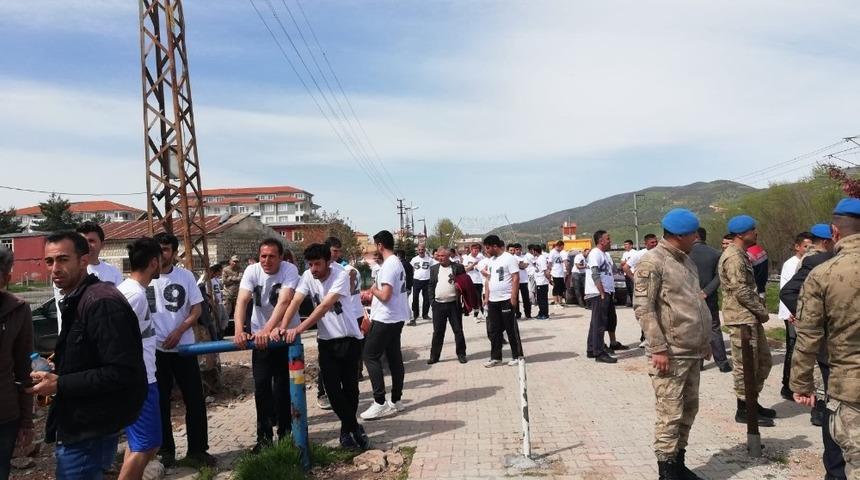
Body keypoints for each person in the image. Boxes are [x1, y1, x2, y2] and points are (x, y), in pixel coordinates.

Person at [30, 232, 146, 479]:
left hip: (89, 427)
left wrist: (60, 383)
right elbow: (92, 355)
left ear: (83, 260)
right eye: (49, 262)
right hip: (84, 421)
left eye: (63, 259)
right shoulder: (80, 296)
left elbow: (122, 371)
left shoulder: (101, 302)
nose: (55, 268)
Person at [269, 244, 370, 450]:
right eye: (310, 264)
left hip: (349, 340)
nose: (314, 268)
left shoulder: (340, 276)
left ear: (328, 262)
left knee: (350, 389)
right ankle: (354, 427)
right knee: (332, 392)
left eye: (318, 264)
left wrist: (298, 329)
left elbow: (324, 307)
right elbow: (295, 301)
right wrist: (283, 325)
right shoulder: (307, 276)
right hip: (326, 342)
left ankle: (346, 432)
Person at [634, 209, 711, 480]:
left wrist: (705, 340)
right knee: (670, 413)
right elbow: (644, 309)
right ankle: (666, 472)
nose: (696, 239)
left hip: (691, 350)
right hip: (670, 353)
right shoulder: (652, 262)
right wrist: (657, 348)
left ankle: (679, 464)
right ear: (680, 236)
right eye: (693, 234)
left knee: (689, 409)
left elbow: (694, 303)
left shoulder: (686, 261)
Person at [791, 199, 860, 479]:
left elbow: (807, 336)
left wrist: (801, 384)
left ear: (835, 232)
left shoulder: (823, 275)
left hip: (849, 388)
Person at [781, 222, 844, 479]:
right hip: (835, 354)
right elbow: (789, 292)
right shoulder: (819, 262)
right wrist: (813, 318)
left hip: (835, 353)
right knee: (834, 411)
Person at [151, 233, 214, 467]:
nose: (161, 253)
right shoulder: (146, 278)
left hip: (184, 349)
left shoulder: (185, 276)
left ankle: (198, 450)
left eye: (166, 249)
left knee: (195, 401)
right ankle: (165, 451)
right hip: (157, 352)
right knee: (160, 403)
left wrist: (180, 330)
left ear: (174, 252)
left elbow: (196, 309)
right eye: (158, 249)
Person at [232, 238, 300, 452]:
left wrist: (268, 330)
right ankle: (264, 439)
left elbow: (284, 301)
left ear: (281, 257)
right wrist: (238, 330)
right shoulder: (252, 270)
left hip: (282, 336)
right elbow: (242, 300)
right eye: (263, 256)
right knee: (261, 388)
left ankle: (286, 435)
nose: (267, 260)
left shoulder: (290, 270)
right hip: (259, 339)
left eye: (271, 256)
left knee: (282, 388)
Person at [718, 215, 775, 427]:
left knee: (763, 361)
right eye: (753, 230)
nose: (756, 232)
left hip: (748, 317)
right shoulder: (733, 257)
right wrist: (762, 311)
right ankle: (745, 409)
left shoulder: (741, 254)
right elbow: (741, 290)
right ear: (741, 234)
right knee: (746, 365)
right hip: (741, 319)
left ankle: (752, 401)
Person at [117, 238, 164, 480]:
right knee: (147, 445)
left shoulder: (130, 291)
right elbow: (114, 337)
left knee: (141, 445)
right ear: (154, 262)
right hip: (140, 380)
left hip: (142, 377)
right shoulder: (134, 295)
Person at [360, 231, 409, 420]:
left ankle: (379, 402)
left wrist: (373, 290)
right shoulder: (397, 263)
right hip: (396, 317)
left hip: (386, 318)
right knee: (394, 357)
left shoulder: (389, 265)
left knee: (370, 355)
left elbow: (386, 295)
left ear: (380, 245)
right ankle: (396, 400)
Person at [53, 222, 124, 335]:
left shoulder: (114, 272)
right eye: (83, 241)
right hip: (73, 337)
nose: (87, 245)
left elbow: (120, 307)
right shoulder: (67, 272)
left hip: (107, 336)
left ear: (102, 244)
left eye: (92, 241)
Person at [0, 248, 33, 480]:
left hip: (5, 413)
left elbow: (24, 367)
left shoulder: (18, 310)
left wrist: (26, 421)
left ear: (6, 278)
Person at [689, 227, 732, 373]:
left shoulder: (684, 253)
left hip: (689, 297)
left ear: (695, 236)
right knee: (714, 327)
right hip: (709, 296)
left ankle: (698, 363)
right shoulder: (716, 253)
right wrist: (707, 291)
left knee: (695, 329)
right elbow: (720, 276)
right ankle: (722, 362)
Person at [777, 232, 814, 400]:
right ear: (797, 247)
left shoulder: (809, 262)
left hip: (803, 312)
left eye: (810, 246)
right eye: (805, 246)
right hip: (792, 312)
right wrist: (791, 311)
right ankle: (787, 385)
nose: (808, 249)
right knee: (792, 348)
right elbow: (786, 290)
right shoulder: (790, 264)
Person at [482, 235, 523, 368]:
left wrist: (513, 297)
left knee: (511, 329)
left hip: (506, 299)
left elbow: (515, 278)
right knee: (494, 330)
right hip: (493, 301)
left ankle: (517, 356)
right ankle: (496, 357)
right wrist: (486, 298)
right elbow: (488, 280)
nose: (486, 251)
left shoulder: (509, 258)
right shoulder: (491, 261)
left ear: (495, 246)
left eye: (488, 248)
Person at [585, 231, 621, 364]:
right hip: (598, 293)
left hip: (605, 292)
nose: (610, 241)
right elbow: (595, 273)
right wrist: (601, 292)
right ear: (601, 241)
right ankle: (599, 352)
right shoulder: (595, 253)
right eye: (608, 239)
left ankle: (591, 349)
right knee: (599, 323)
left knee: (596, 322)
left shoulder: (604, 255)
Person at [427, 248, 467, 364]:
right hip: (438, 305)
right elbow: (431, 285)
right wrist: (432, 302)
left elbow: (465, 283)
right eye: (438, 256)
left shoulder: (457, 267)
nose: (440, 258)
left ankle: (461, 354)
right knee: (438, 332)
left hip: (454, 305)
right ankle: (434, 356)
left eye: (442, 256)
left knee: (458, 330)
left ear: (449, 255)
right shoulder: (434, 269)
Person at [409, 244, 433, 324]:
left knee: (427, 299)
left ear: (424, 250)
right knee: (415, 298)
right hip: (417, 280)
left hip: (427, 280)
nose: (421, 251)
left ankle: (425, 314)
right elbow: (412, 269)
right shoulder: (414, 259)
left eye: (422, 249)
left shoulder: (429, 259)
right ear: (417, 251)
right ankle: (415, 314)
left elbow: (433, 269)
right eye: (419, 250)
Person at [462, 244, 485, 321]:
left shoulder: (481, 258)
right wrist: (473, 265)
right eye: (475, 250)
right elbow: (465, 270)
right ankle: (478, 314)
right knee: (476, 298)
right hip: (471, 281)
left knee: (479, 298)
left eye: (478, 250)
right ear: (471, 250)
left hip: (479, 281)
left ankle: (479, 314)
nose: (476, 252)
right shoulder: (467, 258)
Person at [512, 244, 532, 320]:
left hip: (524, 280)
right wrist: (521, 265)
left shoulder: (525, 257)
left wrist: (518, 265)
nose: (518, 251)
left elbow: (525, 266)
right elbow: (522, 265)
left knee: (526, 298)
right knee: (515, 298)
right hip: (515, 281)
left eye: (519, 249)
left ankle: (528, 314)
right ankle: (517, 314)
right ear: (514, 250)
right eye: (516, 249)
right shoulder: (512, 258)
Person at [221, 255, 242, 321]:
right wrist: (235, 280)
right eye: (234, 261)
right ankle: (224, 327)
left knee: (238, 313)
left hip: (237, 294)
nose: (235, 263)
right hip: (227, 293)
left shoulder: (240, 269)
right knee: (226, 312)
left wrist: (230, 278)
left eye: (237, 262)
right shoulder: (225, 269)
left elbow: (241, 279)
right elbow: (224, 281)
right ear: (230, 261)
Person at [532, 245, 550, 319]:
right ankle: (541, 312)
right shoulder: (538, 258)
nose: (532, 252)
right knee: (539, 299)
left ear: (536, 251)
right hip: (539, 281)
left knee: (542, 299)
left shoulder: (542, 258)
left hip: (542, 282)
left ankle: (544, 314)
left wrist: (549, 279)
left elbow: (545, 270)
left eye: (533, 251)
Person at [548, 241, 568, 306]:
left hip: (561, 273)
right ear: (558, 246)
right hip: (555, 273)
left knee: (561, 288)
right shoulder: (552, 252)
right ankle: (556, 302)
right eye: (561, 247)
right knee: (556, 288)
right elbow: (550, 263)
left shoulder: (560, 253)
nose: (562, 249)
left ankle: (560, 301)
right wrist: (549, 272)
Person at [620, 240, 637, 307]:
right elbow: (622, 263)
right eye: (624, 245)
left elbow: (633, 262)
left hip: (632, 273)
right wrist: (627, 261)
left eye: (627, 244)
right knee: (629, 289)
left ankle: (635, 302)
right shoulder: (625, 254)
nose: (625, 246)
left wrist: (626, 261)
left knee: (633, 288)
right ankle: (631, 302)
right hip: (626, 274)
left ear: (631, 245)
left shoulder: (635, 253)